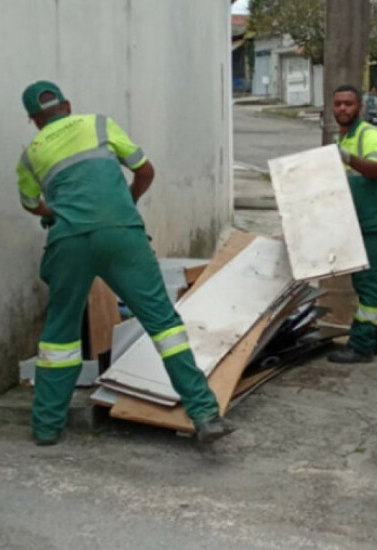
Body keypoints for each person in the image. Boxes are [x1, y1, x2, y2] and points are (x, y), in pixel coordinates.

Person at [15, 80, 230, 446]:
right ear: (67, 106)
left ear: (34, 120)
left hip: (68, 242)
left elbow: (31, 203)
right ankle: (204, 414)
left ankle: (47, 428)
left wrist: (58, 214)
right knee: (163, 324)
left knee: (60, 334)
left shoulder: (30, 153)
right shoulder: (98, 124)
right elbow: (145, 171)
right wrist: (125, 206)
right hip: (121, 234)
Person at [328, 84, 377, 364]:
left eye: (348, 104)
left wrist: (347, 158)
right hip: (364, 223)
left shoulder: (369, 136)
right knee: (371, 285)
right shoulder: (345, 139)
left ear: (359, 107)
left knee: (370, 285)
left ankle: (361, 346)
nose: (342, 109)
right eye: (338, 104)